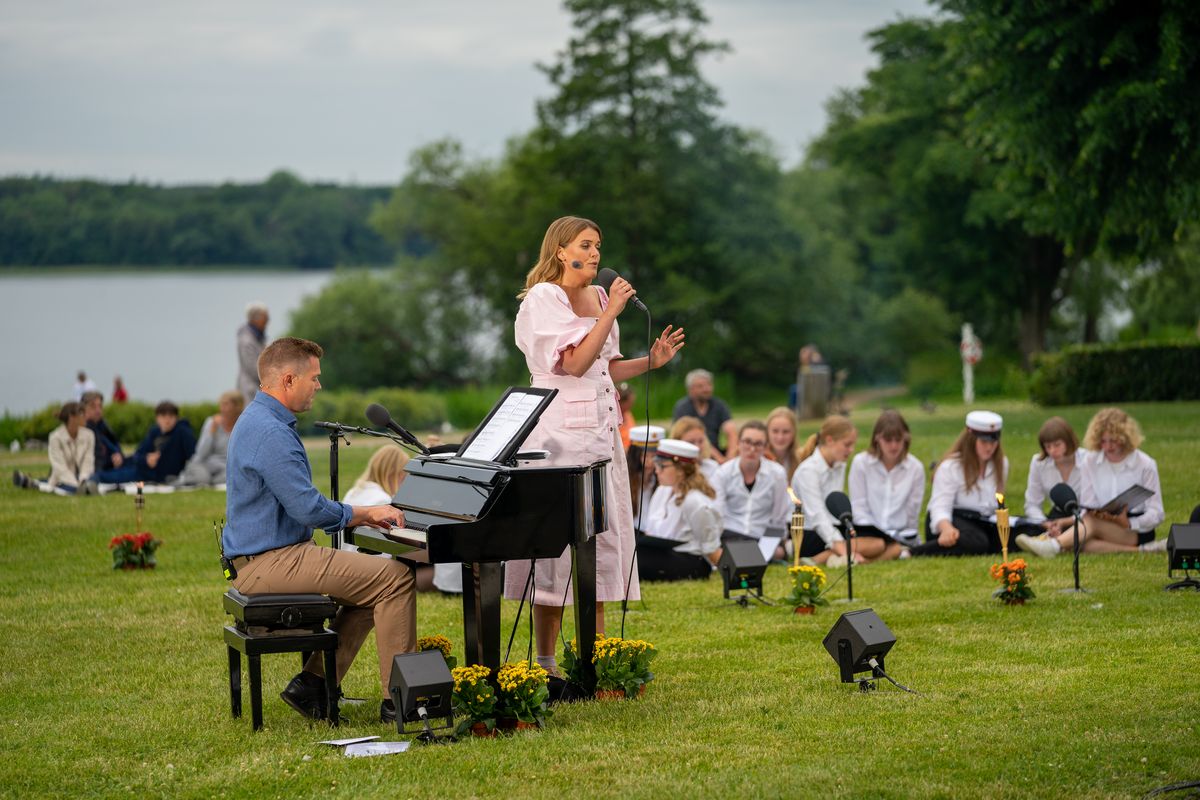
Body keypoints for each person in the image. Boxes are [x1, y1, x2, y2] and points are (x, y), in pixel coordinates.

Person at [503, 215, 685, 677]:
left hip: (602, 435)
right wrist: (610, 314)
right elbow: (576, 364)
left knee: (601, 544)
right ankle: (544, 661)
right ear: (562, 251)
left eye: (599, 244)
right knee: (557, 548)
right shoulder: (545, 298)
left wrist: (651, 362)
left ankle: (596, 659)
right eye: (586, 243)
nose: (596, 252)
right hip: (560, 437)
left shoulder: (601, 297)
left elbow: (606, 367)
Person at [221, 336, 415, 723]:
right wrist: (367, 513)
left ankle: (312, 687)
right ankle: (402, 702)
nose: (319, 385)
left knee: (367, 591)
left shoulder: (257, 419)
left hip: (262, 557)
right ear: (288, 380)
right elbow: (308, 509)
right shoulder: (271, 433)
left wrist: (359, 514)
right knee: (395, 577)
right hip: (272, 562)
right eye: (314, 377)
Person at [1017, 407, 1167, 557]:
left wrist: (1129, 523)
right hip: (1099, 523)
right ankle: (1145, 550)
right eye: (1103, 441)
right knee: (1083, 543)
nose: (1108, 446)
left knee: (1088, 525)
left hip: (1135, 530)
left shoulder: (1145, 464)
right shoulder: (1091, 460)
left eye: (1114, 440)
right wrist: (1101, 514)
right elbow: (1087, 504)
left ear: (1125, 438)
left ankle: (1054, 545)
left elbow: (1157, 513)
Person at [339, 444, 463, 595]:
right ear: (393, 474)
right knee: (436, 567)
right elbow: (393, 550)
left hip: (348, 565)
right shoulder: (382, 501)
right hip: (370, 571)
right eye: (404, 477)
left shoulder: (354, 492)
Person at [790, 416, 889, 565]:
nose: (851, 450)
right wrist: (841, 546)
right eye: (847, 445)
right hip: (810, 534)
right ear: (830, 440)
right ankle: (824, 558)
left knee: (880, 543)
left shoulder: (839, 465)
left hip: (834, 527)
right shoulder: (808, 471)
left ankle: (829, 558)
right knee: (875, 545)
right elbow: (817, 517)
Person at [910, 411, 1009, 557]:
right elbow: (940, 507)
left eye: (993, 442)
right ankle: (915, 552)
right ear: (970, 440)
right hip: (950, 519)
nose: (989, 448)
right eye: (984, 442)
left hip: (981, 521)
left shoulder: (1001, 464)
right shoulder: (950, 467)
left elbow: (995, 504)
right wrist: (946, 529)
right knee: (977, 542)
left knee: (1011, 538)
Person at [637, 439, 723, 581]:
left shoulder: (694, 501)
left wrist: (733, 573)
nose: (656, 470)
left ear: (681, 470)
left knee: (637, 558)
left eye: (662, 466)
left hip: (692, 561)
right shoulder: (662, 491)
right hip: (666, 553)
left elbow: (711, 547)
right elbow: (650, 530)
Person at [848, 410, 924, 552]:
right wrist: (878, 534)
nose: (894, 446)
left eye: (898, 440)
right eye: (888, 440)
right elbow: (858, 507)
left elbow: (912, 511)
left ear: (905, 439)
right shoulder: (861, 463)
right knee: (877, 545)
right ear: (877, 439)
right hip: (869, 534)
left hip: (901, 535)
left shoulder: (915, 468)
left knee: (897, 548)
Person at [712, 420, 790, 545]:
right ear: (738, 443)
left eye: (758, 444)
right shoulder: (723, 473)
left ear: (765, 447)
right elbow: (717, 514)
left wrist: (772, 544)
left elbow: (778, 518)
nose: (752, 449)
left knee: (778, 552)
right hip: (730, 534)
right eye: (747, 442)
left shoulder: (777, 474)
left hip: (761, 536)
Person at [94, 401, 196, 485]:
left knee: (110, 476)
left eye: (171, 416)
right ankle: (93, 476)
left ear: (176, 418)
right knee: (119, 466)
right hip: (144, 468)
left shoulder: (182, 432)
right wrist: (146, 459)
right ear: (157, 418)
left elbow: (192, 455)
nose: (167, 420)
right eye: (163, 416)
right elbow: (138, 454)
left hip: (156, 474)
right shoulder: (155, 432)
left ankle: (94, 478)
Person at [12, 402, 95, 495]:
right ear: (72, 417)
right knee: (65, 489)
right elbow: (59, 467)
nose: (86, 416)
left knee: (92, 483)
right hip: (62, 479)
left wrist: (83, 479)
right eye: (82, 414)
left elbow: (88, 461)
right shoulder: (55, 437)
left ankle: (29, 482)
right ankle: (29, 482)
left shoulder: (89, 435)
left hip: (81, 478)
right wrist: (76, 485)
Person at [1022, 416, 1085, 529]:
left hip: (1085, 517)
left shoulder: (1087, 460)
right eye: (1047, 447)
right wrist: (1046, 523)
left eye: (1057, 445)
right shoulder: (1039, 463)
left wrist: (1065, 522)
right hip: (1056, 517)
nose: (1052, 451)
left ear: (1069, 441)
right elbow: (1032, 504)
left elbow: (1095, 507)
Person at [173, 391, 244, 487]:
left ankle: (208, 481)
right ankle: (184, 478)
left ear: (237, 407)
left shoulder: (243, 424)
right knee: (203, 478)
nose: (222, 408)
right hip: (204, 463)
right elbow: (201, 453)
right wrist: (212, 432)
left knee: (232, 476)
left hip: (227, 466)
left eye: (226, 404)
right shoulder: (211, 422)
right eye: (221, 404)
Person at [671, 368, 735, 462]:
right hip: (692, 454)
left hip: (716, 454)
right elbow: (697, 436)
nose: (707, 389)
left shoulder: (719, 405)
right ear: (690, 389)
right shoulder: (682, 408)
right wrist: (720, 459)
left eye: (709, 385)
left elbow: (731, 431)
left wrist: (730, 458)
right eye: (701, 386)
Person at [627, 425, 664, 520]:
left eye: (654, 456)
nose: (650, 461)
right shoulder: (627, 479)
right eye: (645, 456)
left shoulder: (662, 480)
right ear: (636, 456)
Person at [81, 391, 124, 472]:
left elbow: (115, 444)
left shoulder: (103, 426)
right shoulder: (82, 430)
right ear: (84, 409)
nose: (98, 410)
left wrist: (118, 455)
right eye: (93, 407)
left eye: (100, 406)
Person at [237, 301, 270, 404]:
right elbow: (252, 368)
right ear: (256, 319)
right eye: (265, 318)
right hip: (250, 388)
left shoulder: (258, 337)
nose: (268, 321)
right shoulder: (247, 340)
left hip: (257, 386)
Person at [669, 416, 720, 481]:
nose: (697, 447)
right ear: (677, 443)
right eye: (691, 442)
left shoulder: (713, 468)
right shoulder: (669, 470)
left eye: (701, 441)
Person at [765, 406, 803, 481]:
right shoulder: (759, 461)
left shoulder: (801, 460)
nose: (780, 437)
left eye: (786, 432)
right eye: (775, 431)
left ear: (794, 433)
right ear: (767, 432)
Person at [617, 382, 636, 451]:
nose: (632, 404)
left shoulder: (628, 414)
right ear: (621, 402)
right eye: (630, 402)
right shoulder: (613, 418)